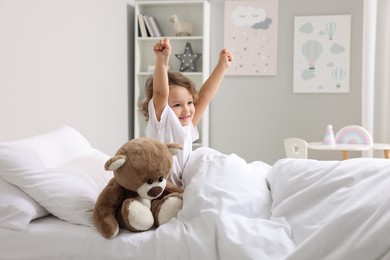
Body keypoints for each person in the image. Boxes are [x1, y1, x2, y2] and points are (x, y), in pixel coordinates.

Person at [139, 37, 233, 187]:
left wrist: (222, 67)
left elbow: (204, 97)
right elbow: (160, 92)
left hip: (180, 189)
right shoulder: (162, 124)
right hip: (158, 190)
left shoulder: (186, 126)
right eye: (177, 105)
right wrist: (162, 61)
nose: (187, 110)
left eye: (189, 102)